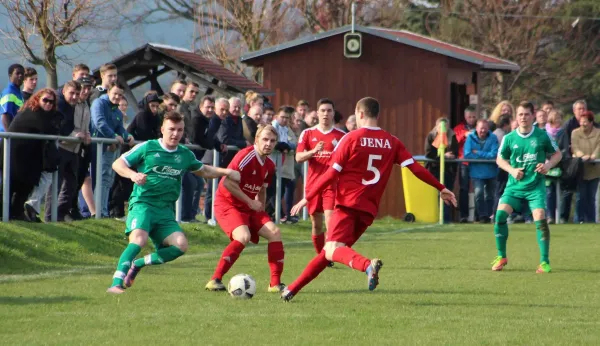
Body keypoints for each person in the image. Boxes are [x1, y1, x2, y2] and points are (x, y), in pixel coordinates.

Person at [282, 97, 456, 301]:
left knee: (332, 249)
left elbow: (330, 174)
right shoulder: (392, 141)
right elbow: (415, 168)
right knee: (331, 251)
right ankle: (291, 290)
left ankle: (367, 266)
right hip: (368, 211)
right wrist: (441, 187)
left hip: (347, 205)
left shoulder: (351, 138)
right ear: (377, 114)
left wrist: (307, 197)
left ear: (360, 113)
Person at [107, 111, 240, 294]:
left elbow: (203, 170)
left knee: (181, 245)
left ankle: (138, 264)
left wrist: (226, 172)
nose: (175, 134)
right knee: (139, 239)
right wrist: (133, 174)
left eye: (180, 130)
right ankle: (115, 283)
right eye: (171, 129)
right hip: (143, 204)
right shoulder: (148, 147)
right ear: (162, 129)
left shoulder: (184, 154)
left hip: (165, 211)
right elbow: (118, 164)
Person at [205, 124, 286, 293]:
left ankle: (275, 284)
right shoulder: (246, 156)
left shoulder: (270, 165)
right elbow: (227, 183)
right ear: (256, 140)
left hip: (248, 206)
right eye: (264, 139)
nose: (268, 144)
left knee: (275, 232)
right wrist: (250, 202)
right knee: (243, 236)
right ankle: (215, 279)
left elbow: (262, 189)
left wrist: (260, 209)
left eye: (272, 141)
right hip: (228, 204)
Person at [491, 101, 562, 274]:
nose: (523, 117)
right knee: (500, 215)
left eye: (527, 114)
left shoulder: (542, 136)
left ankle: (544, 262)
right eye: (520, 114)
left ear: (533, 115)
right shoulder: (509, 138)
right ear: (517, 116)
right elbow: (500, 159)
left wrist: (548, 165)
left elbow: (557, 154)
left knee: (540, 217)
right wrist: (512, 170)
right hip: (514, 187)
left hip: (535, 187)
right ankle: (501, 256)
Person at [0, 89, 62, 220]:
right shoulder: (31, 112)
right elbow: (48, 129)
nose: (48, 104)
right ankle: (4, 212)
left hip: (29, 155)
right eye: (45, 100)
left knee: (27, 184)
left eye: (51, 102)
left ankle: (16, 211)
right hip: (15, 153)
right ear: (37, 99)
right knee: (11, 184)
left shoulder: (45, 115)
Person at [296, 98, 346, 255]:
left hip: (332, 185)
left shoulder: (342, 136)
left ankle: (328, 256)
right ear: (317, 113)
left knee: (331, 222)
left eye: (329, 111)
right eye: (323, 110)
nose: (326, 114)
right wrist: (313, 152)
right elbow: (298, 157)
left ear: (333, 113)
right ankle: (320, 255)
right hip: (313, 185)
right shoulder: (307, 133)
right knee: (316, 224)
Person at [464, 119, 499, 223]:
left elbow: (494, 154)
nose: (483, 130)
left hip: (491, 171)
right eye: (480, 128)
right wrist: (486, 155)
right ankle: (482, 216)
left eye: (485, 128)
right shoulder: (470, 138)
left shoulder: (493, 137)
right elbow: (467, 154)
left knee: (490, 195)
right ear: (476, 128)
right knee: (478, 193)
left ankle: (489, 215)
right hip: (476, 172)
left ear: (488, 128)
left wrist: (478, 153)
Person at [570, 111, 600, 223]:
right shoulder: (575, 133)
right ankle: (578, 220)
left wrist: (593, 156)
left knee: (591, 198)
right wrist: (582, 156)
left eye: (586, 122)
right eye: (581, 122)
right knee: (580, 197)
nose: (583, 124)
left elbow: (599, 147)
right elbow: (575, 147)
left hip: (594, 170)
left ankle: (591, 220)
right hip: (581, 170)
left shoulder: (598, 133)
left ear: (591, 122)